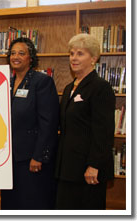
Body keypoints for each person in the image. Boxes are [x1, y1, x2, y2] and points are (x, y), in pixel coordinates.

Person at [55, 33, 115, 210]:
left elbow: (103, 132)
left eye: (80, 54)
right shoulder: (68, 88)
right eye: (72, 53)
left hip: (88, 170)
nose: (74, 58)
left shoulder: (100, 87)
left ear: (93, 58)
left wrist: (94, 165)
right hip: (67, 168)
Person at [1, 37, 59, 209]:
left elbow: (48, 123)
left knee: (32, 203)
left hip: (31, 159)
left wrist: (39, 156)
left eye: (21, 53)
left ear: (30, 58)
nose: (15, 57)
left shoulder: (42, 82)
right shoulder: (6, 82)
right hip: (8, 157)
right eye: (12, 53)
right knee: (11, 203)